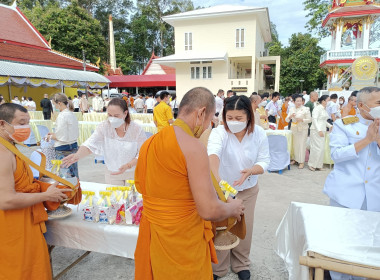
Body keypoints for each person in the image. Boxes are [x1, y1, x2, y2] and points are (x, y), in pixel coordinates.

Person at [134, 87, 245, 280]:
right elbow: (208, 209)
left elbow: (141, 186)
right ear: (201, 113)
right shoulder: (193, 147)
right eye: (209, 120)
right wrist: (232, 208)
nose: (205, 128)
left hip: (155, 236)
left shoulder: (149, 143)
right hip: (183, 240)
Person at [0, 103, 68, 280]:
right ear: (2, 124)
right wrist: (46, 195)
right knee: (18, 272)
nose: (26, 128)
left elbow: (20, 183)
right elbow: (5, 200)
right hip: (12, 226)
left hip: (25, 222)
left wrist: (42, 185)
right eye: (21, 123)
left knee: (32, 269)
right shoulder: (2, 153)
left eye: (28, 122)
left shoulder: (10, 147)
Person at [208, 95, 270, 280]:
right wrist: (220, 185)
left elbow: (265, 161)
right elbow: (212, 156)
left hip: (248, 189)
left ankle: (241, 263)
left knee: (245, 225)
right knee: (222, 227)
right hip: (222, 190)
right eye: (230, 118)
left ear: (248, 117)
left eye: (239, 118)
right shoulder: (219, 132)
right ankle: (218, 268)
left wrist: (251, 170)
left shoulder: (258, 133)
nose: (233, 122)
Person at [323, 87, 380, 280]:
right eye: (378, 104)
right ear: (362, 106)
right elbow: (337, 155)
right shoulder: (344, 125)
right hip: (346, 195)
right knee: (342, 242)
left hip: (374, 196)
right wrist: (367, 140)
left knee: (370, 243)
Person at [62, 98, 146, 185]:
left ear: (125, 113)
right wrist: (77, 155)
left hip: (133, 173)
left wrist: (128, 165)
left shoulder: (136, 129)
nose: (112, 119)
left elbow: (143, 153)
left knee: (132, 197)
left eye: (116, 116)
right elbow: (90, 144)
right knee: (114, 197)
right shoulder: (104, 127)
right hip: (112, 173)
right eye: (110, 115)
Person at [48, 94, 79, 178]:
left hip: (63, 148)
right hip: (73, 145)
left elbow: (60, 136)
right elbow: (67, 133)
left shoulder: (62, 116)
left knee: (65, 175)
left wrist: (50, 137)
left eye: (54, 104)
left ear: (60, 103)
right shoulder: (71, 114)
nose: (54, 106)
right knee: (74, 174)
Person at [286, 95, 311, 169]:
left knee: (302, 145)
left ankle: (301, 161)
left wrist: (302, 120)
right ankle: (295, 159)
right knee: (295, 145)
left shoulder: (306, 109)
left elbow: (310, 120)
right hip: (294, 129)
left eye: (301, 101)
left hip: (303, 129)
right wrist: (290, 116)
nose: (299, 102)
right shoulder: (291, 109)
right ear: (294, 101)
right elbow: (286, 119)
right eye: (297, 101)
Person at [308, 95, 332, 171]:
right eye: (328, 100)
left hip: (322, 130)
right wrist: (319, 130)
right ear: (323, 101)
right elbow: (314, 120)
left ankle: (319, 165)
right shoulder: (317, 108)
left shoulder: (324, 109)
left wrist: (330, 126)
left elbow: (323, 120)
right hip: (316, 130)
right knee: (316, 148)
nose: (329, 102)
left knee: (321, 148)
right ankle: (312, 164)